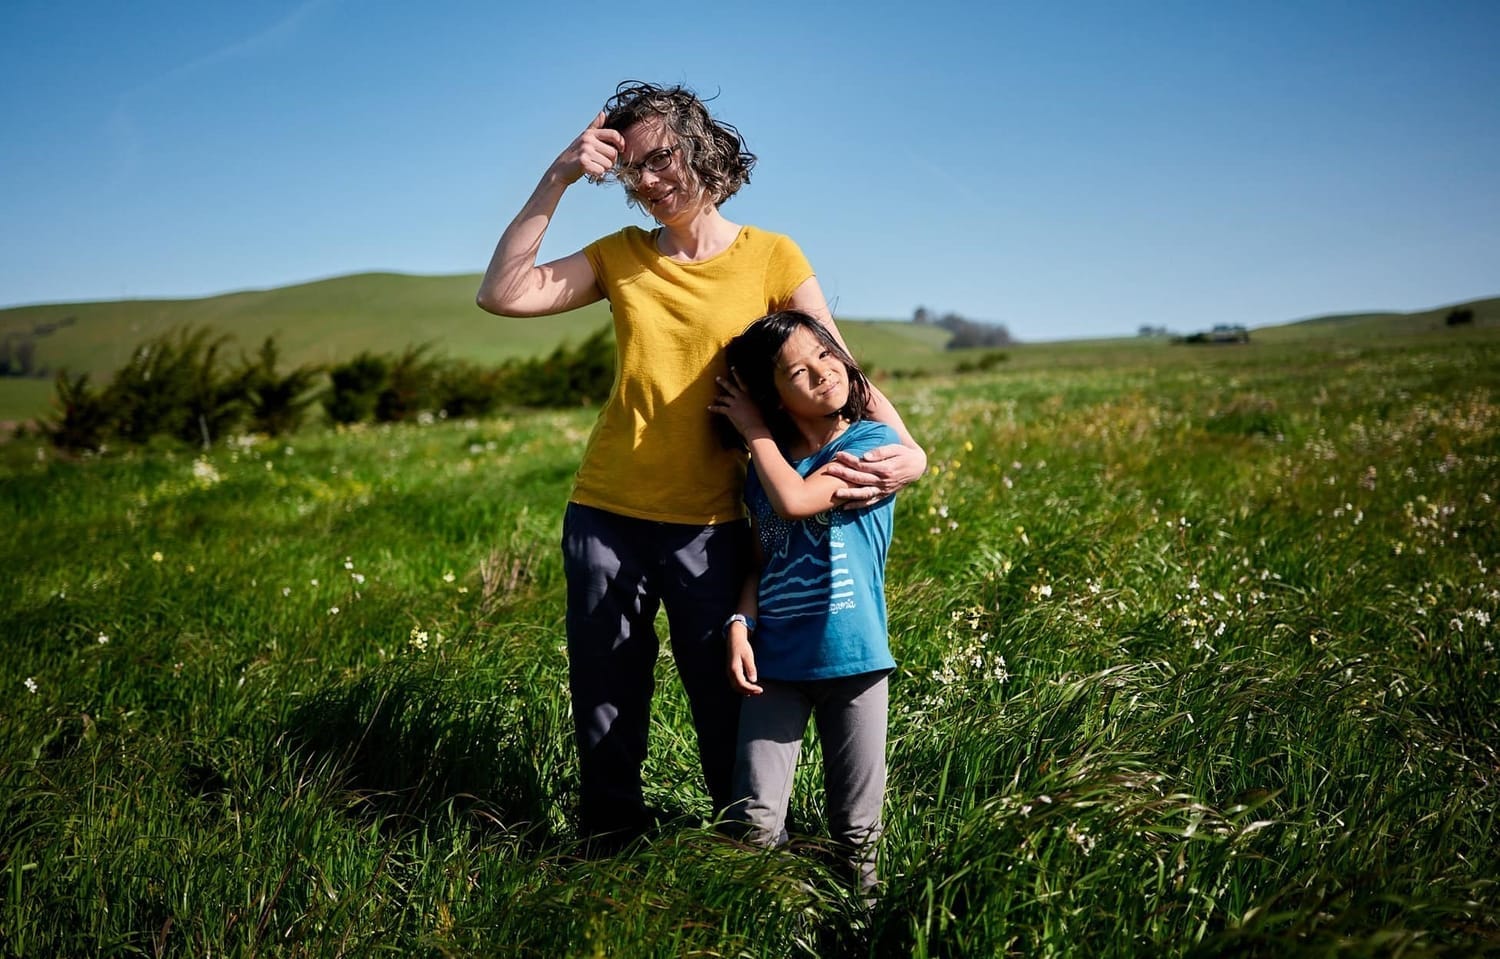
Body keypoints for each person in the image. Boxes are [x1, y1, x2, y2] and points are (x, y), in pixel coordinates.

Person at [475, 81, 925, 844]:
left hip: (716, 521)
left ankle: (738, 852)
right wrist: (556, 177)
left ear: (702, 147)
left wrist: (908, 449)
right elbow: (502, 293)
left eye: (659, 160)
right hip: (607, 512)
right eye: (630, 172)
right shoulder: (620, 258)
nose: (647, 182)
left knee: (728, 701)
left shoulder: (772, 256)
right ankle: (611, 848)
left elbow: (837, 368)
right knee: (606, 697)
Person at [710, 310, 898, 894]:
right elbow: (767, 557)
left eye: (825, 355)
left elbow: (796, 502)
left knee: (856, 828)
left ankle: (862, 928)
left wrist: (752, 430)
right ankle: (770, 924)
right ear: (775, 394)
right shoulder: (763, 471)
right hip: (777, 666)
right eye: (798, 370)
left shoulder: (871, 444)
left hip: (855, 661)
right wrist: (741, 623)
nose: (823, 373)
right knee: (755, 818)